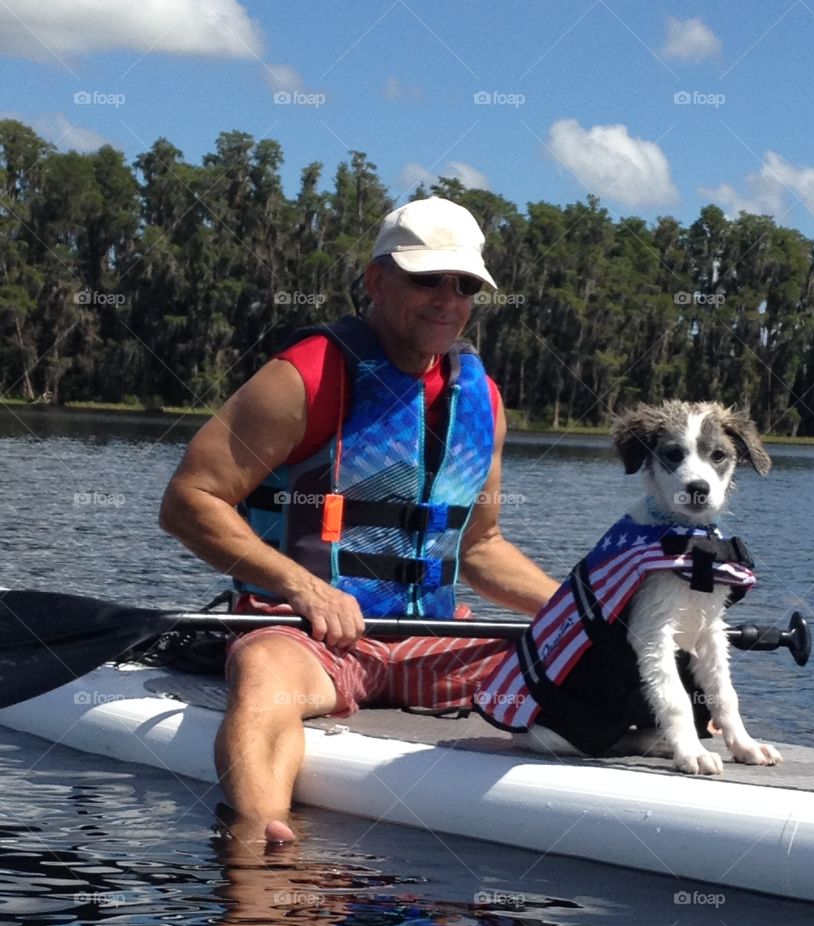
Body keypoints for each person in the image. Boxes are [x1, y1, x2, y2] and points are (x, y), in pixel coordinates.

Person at [160, 196, 557, 843]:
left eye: (464, 286)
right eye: (427, 279)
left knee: (582, 661)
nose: (447, 299)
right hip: (310, 639)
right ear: (377, 280)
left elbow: (479, 548)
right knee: (264, 676)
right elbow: (189, 501)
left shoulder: (480, 397)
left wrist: (578, 612)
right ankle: (260, 848)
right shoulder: (307, 375)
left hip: (428, 644)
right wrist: (304, 587)